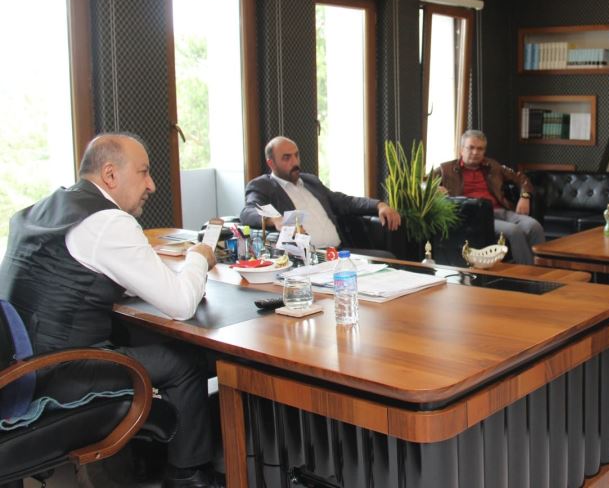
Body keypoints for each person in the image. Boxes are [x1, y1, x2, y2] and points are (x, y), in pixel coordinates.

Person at [0, 133, 223, 487]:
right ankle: (189, 476)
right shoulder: (107, 222)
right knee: (185, 361)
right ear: (110, 174)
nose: (151, 185)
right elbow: (181, 304)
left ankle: (156, 460)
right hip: (62, 370)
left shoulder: (40, 210)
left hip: (22, 363)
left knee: (142, 337)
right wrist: (198, 257)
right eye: (144, 172)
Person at [240, 136, 401, 250]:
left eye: (296, 155)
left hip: (340, 253)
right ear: (271, 163)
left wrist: (380, 205)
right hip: (308, 258)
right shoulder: (263, 186)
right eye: (286, 158)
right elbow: (248, 212)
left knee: (389, 262)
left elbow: (345, 201)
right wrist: (275, 219)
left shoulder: (311, 181)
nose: (295, 162)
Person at [436, 129, 545, 264]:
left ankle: (543, 267)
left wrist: (525, 196)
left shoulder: (493, 166)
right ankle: (528, 272)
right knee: (513, 231)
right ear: (461, 150)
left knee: (534, 226)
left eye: (480, 149)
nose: (475, 152)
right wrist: (434, 189)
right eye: (471, 147)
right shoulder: (446, 169)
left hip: (500, 211)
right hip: (476, 216)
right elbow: (421, 183)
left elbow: (521, 179)